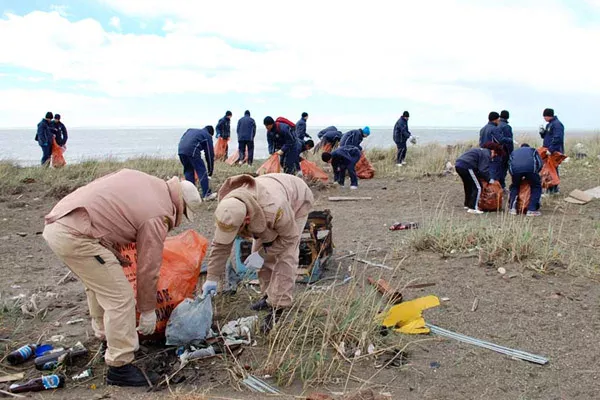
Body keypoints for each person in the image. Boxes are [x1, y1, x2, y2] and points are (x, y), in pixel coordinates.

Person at [43, 169, 203, 387]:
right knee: (120, 298)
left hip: (61, 222)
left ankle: (106, 338)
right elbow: (149, 268)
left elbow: (109, 212)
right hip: (76, 235)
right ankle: (120, 366)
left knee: (99, 284)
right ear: (180, 205)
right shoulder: (158, 214)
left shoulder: (144, 181)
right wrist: (147, 310)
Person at [202, 174, 314, 332]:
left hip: (296, 199)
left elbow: (289, 238)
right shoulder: (229, 207)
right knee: (259, 249)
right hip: (265, 198)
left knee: (286, 257)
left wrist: (263, 254)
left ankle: (278, 308)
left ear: (246, 220)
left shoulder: (275, 209)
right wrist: (212, 278)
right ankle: (268, 297)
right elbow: (221, 246)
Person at [455, 142, 503, 214]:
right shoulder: (487, 154)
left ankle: (467, 204)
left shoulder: (480, 151)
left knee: (468, 185)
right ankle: (473, 208)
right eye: (495, 154)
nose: (494, 157)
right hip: (467, 166)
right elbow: (483, 170)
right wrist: (489, 179)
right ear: (492, 150)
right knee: (478, 187)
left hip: (458, 165)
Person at [178, 126, 217, 201]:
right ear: (211, 134)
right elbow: (209, 154)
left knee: (188, 171)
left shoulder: (190, 130)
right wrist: (210, 171)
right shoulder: (207, 136)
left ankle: (190, 195)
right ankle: (206, 194)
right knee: (202, 171)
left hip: (181, 150)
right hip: (192, 150)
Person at [508, 144, 543, 217]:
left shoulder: (514, 152)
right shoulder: (533, 150)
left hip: (516, 170)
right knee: (536, 187)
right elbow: (540, 163)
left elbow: (510, 164)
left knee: (515, 186)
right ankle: (531, 209)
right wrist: (536, 172)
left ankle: (512, 208)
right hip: (530, 169)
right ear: (528, 146)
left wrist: (513, 175)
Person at [479, 112, 512, 188]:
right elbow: (500, 140)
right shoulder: (494, 129)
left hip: (484, 153)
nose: (499, 121)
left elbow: (480, 142)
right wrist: (509, 140)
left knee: (486, 172)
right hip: (494, 154)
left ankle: (486, 189)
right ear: (496, 119)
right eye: (498, 119)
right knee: (495, 172)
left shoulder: (483, 129)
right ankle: (494, 189)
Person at [539, 108, 565, 194]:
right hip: (548, 150)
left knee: (552, 169)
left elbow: (558, 138)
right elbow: (546, 137)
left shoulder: (557, 125)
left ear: (548, 115)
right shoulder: (549, 124)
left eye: (544, 116)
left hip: (554, 151)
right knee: (549, 169)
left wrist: (551, 149)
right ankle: (551, 188)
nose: (544, 118)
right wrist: (542, 132)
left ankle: (554, 189)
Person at [498, 110, 514, 186]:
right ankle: (501, 186)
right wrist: (511, 153)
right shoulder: (506, 127)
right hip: (504, 152)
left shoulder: (496, 125)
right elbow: (509, 142)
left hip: (496, 151)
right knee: (503, 169)